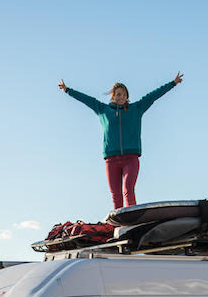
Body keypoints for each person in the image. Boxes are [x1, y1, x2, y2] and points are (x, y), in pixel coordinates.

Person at [59, 72, 183, 210]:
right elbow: (86, 99)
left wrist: (172, 83)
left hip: (131, 158)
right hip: (111, 160)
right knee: (116, 196)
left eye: (124, 95)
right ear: (113, 96)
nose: (121, 97)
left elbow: (153, 96)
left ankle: (133, 220)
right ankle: (118, 227)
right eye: (118, 94)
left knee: (128, 189)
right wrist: (67, 90)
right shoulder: (103, 110)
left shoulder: (136, 108)